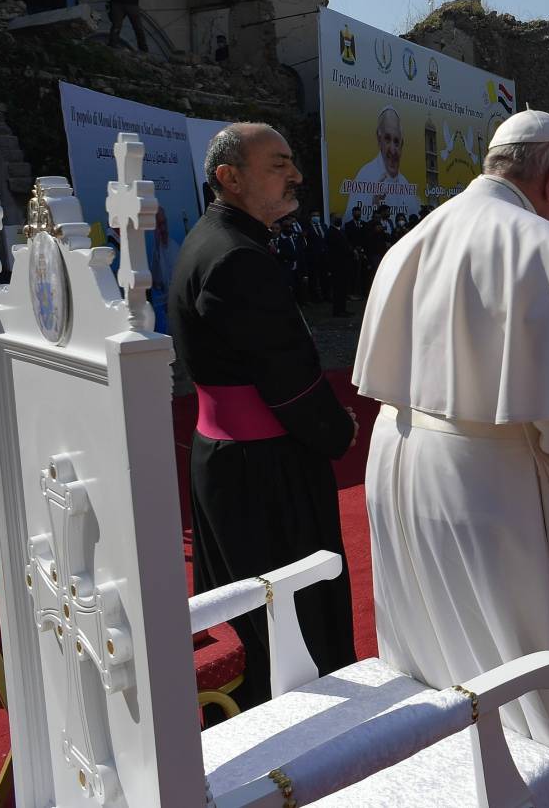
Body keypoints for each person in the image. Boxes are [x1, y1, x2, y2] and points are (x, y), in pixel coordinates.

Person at [353, 109, 549, 806]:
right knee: (531, 670)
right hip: (496, 489)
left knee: (438, 652)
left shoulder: (414, 237)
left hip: (403, 463)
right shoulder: (541, 247)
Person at [169, 123, 359, 707]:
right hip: (265, 471)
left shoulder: (218, 240)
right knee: (288, 618)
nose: (296, 175)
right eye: (278, 164)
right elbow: (288, 378)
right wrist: (337, 431)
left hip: (236, 462)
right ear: (230, 177)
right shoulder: (236, 258)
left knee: (249, 606)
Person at [342, 105, 421, 218]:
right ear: (379, 140)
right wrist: (374, 204)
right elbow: (349, 222)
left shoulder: (404, 182)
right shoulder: (365, 175)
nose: (393, 150)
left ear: (402, 145)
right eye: (387, 139)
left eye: (397, 142)